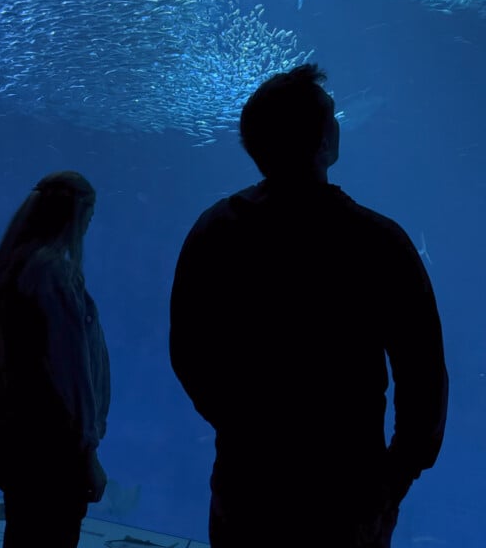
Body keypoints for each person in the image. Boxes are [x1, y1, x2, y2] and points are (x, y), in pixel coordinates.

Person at [169, 63, 448, 548]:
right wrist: (398, 473)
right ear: (325, 143)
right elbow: (422, 369)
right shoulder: (376, 241)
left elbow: (189, 352)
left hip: (246, 481)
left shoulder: (215, 231)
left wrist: (241, 425)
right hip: (348, 490)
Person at [0, 170, 110, 548]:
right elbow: (71, 374)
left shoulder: (15, 269)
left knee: (23, 533)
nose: (89, 224)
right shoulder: (53, 273)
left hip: (15, 445)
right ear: (73, 214)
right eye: (89, 213)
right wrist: (88, 455)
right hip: (52, 454)